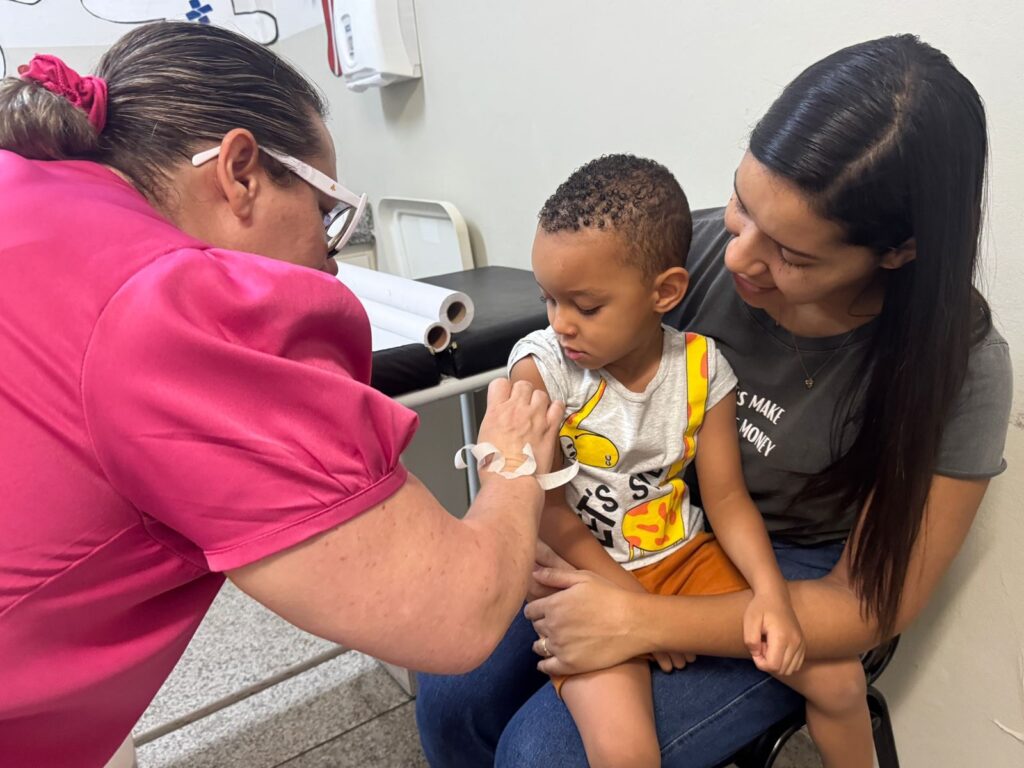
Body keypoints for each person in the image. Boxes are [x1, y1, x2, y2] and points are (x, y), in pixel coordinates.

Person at [416, 34, 1013, 767]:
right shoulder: (678, 259)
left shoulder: (961, 364)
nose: (736, 257)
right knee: (451, 686)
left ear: (897, 253)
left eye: (791, 254)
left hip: (790, 568)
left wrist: (643, 620)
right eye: (741, 201)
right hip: (636, 521)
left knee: (546, 753)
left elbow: (870, 603)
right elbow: (540, 442)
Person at [0, 22, 563, 767]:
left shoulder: (26, 190)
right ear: (240, 172)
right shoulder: (173, 306)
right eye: (328, 215)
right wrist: (513, 461)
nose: (330, 261)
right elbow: (459, 614)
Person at [505, 153, 873, 768]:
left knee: (839, 681)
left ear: (666, 292)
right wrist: (632, 608)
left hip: (687, 557)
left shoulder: (703, 369)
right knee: (625, 750)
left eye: (586, 306)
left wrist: (772, 594)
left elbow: (726, 498)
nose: (561, 324)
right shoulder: (542, 370)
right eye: (549, 299)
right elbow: (549, 515)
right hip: (583, 574)